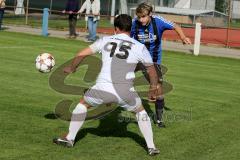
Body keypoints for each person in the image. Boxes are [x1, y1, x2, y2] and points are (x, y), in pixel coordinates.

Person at [53, 14, 161, 156]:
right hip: (125, 91)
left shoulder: (105, 40)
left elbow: (81, 54)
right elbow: (152, 72)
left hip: (103, 88)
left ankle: (69, 138)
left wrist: (72, 68)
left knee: (83, 103)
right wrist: (153, 89)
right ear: (131, 28)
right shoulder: (140, 47)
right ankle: (151, 147)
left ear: (116, 28)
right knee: (140, 111)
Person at [131, 2, 192, 128]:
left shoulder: (158, 21)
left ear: (150, 14)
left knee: (159, 90)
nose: (141, 20)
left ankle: (159, 120)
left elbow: (175, 26)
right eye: (139, 17)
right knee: (119, 76)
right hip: (136, 58)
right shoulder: (134, 23)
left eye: (143, 17)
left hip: (153, 61)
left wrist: (183, 37)